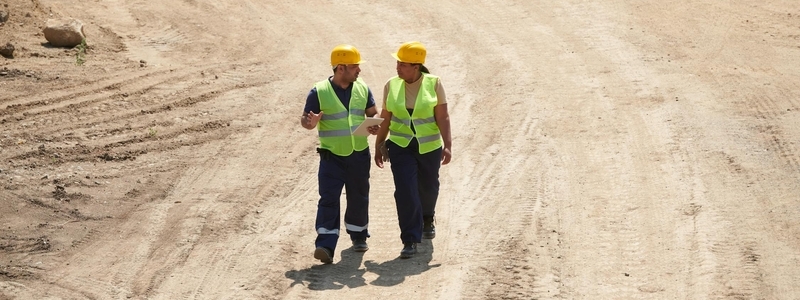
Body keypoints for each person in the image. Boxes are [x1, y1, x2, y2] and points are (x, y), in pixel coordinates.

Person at [301, 44, 379, 264]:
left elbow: (373, 113)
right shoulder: (319, 91)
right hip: (331, 157)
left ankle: (359, 235)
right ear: (342, 68)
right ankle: (325, 245)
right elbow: (305, 120)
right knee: (328, 200)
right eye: (355, 66)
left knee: (359, 197)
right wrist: (310, 122)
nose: (359, 70)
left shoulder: (363, 88)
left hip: (358, 155)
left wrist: (374, 125)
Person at [373, 41, 452, 258]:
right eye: (397, 63)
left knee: (428, 187)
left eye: (402, 64)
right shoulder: (391, 85)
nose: (397, 68)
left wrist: (448, 146)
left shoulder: (434, 84)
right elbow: (386, 117)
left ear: (416, 66)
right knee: (405, 190)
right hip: (400, 146)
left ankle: (427, 217)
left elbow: (442, 116)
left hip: (429, 147)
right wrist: (379, 144)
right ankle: (409, 239)